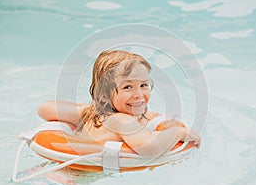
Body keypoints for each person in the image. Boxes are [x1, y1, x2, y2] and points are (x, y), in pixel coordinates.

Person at [38, 50, 200, 157]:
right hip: (63, 184)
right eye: (127, 87)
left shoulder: (91, 114)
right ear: (103, 96)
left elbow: (45, 109)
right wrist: (177, 133)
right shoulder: (122, 120)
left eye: (143, 85)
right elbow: (150, 148)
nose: (139, 95)